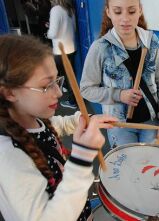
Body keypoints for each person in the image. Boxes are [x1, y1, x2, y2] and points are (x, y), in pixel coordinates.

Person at [0, 34, 117, 220]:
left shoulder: (34, 119)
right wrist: (82, 158)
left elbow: (57, 126)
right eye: (47, 85)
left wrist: (86, 119)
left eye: (57, 81)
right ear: (10, 93)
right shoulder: (7, 157)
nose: (59, 92)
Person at [80, 0, 159, 148]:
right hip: (118, 125)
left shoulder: (151, 41)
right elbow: (86, 90)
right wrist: (119, 95)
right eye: (118, 12)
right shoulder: (100, 48)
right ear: (108, 12)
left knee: (149, 165)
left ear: (140, 10)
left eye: (131, 11)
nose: (125, 18)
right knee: (127, 167)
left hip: (152, 121)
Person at [47, 0, 77, 109]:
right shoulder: (70, 10)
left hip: (60, 50)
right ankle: (68, 93)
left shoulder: (55, 10)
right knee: (70, 75)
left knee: (63, 75)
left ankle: (72, 101)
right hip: (71, 48)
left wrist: (48, 32)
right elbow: (74, 28)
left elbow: (53, 33)